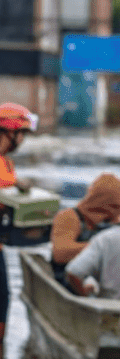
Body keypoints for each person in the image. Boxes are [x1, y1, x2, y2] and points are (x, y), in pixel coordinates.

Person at [50, 173, 120, 287]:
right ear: (102, 203)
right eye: (115, 206)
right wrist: (101, 247)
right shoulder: (69, 217)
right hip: (67, 280)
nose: (119, 212)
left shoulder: (117, 222)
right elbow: (60, 253)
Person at [0, 102, 36, 346]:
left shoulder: (7, 163)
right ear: (11, 132)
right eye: (21, 133)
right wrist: (14, 185)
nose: (22, 139)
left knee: (4, 299)